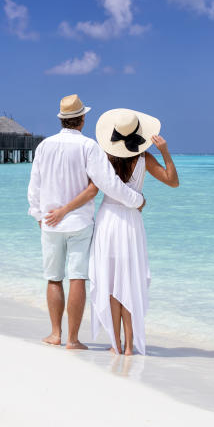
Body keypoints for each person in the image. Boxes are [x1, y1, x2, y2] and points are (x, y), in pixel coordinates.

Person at [27, 95, 145, 350]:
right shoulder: (89, 147)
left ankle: (56, 334)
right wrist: (136, 200)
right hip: (80, 222)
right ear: (81, 120)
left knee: (53, 278)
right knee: (77, 278)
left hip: (50, 222)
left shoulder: (44, 146)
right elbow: (107, 183)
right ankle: (73, 339)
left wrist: (38, 215)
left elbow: (34, 186)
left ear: (62, 120)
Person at [84, 108, 178, 356]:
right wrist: (165, 151)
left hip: (108, 220)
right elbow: (172, 180)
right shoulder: (145, 158)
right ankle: (128, 346)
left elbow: (89, 188)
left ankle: (116, 344)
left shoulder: (103, 157)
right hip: (131, 223)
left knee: (111, 282)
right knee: (129, 280)